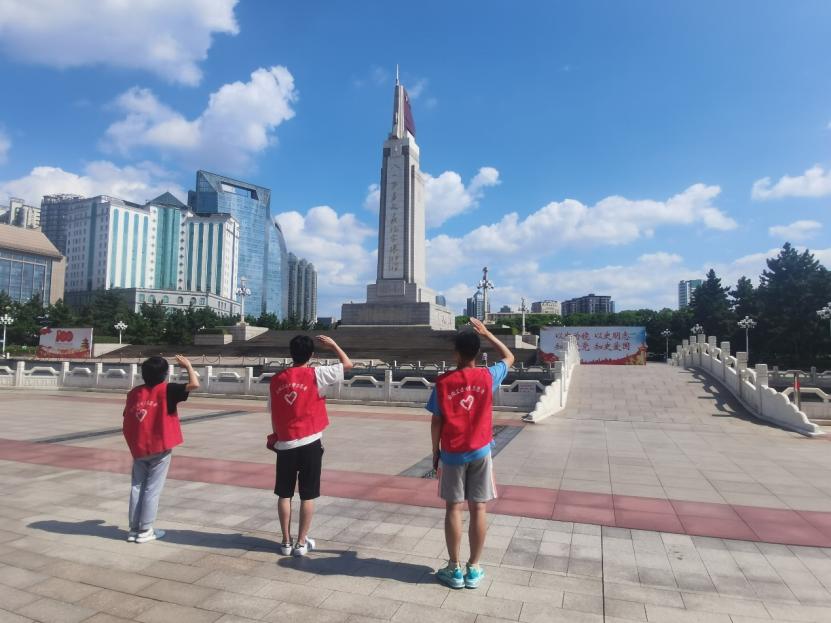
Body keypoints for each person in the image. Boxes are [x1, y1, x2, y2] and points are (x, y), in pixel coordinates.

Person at [427, 318, 514, 589]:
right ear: (477, 352)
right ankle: (473, 568)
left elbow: (436, 421)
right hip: (480, 452)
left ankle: (454, 569)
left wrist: (435, 451)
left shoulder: (443, 382)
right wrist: (488, 333)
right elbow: (509, 356)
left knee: (454, 508)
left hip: (452, 453)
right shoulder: (488, 376)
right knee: (479, 508)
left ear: (456, 353)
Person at [268, 335, 352, 556]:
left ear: (291, 353)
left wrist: (277, 436)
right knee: (307, 494)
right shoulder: (317, 374)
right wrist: (334, 345)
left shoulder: (276, 379)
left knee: (284, 494)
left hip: (285, 444)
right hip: (310, 442)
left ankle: (285, 542)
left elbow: (274, 412)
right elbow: (347, 365)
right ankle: (301, 543)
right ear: (312, 355)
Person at [122, 355, 199, 543]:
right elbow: (194, 385)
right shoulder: (168, 389)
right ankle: (146, 530)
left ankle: (134, 529)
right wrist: (188, 366)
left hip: (139, 447)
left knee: (137, 487)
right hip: (160, 447)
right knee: (152, 488)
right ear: (165, 374)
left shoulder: (134, 393)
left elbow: (127, 416)